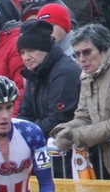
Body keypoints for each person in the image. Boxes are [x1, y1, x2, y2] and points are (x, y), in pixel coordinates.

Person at [50, 23, 110, 180]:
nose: (81, 59)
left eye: (86, 52)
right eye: (77, 54)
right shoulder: (87, 75)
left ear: (104, 50)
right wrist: (64, 129)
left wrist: (74, 136)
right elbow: (83, 116)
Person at [16, 19, 81, 178]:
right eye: (22, 52)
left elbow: (58, 118)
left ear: (44, 47)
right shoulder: (34, 74)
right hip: (47, 157)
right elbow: (24, 114)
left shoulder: (65, 72)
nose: (26, 57)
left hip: (70, 159)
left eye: (31, 50)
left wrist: (27, 134)